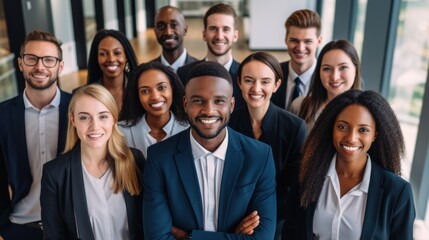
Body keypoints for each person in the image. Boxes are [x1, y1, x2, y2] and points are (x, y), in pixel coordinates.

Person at [143, 61, 276, 239]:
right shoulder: (159, 158)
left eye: (219, 101)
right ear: (185, 103)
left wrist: (191, 237)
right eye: (198, 101)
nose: (208, 110)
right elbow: (156, 237)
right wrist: (230, 236)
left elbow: (263, 238)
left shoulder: (260, 156)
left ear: (231, 105)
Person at [283, 89, 415, 239]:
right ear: (331, 128)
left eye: (363, 130)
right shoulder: (306, 175)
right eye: (342, 127)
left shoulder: (397, 192)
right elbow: (290, 234)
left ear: (375, 135)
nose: (351, 138)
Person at [40, 84, 144, 239]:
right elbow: (54, 236)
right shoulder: (55, 174)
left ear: (114, 119)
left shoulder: (135, 160)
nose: (94, 126)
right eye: (84, 117)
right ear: (73, 120)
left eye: (103, 116)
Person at [0, 30, 71, 239]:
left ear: (60, 66)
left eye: (49, 60)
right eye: (32, 59)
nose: (40, 67)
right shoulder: (2, 115)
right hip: (20, 226)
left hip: (70, 226)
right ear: (21, 63)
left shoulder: (78, 109)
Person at [229, 52, 307, 240]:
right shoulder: (228, 123)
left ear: (276, 85)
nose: (256, 88)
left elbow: (291, 187)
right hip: (232, 218)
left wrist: (257, 220)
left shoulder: (295, 128)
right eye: (249, 80)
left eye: (265, 81)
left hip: (277, 220)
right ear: (239, 82)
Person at [177, 3, 245, 109]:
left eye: (226, 29)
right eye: (213, 29)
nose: (219, 36)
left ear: (235, 36)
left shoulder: (245, 76)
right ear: (204, 34)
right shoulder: (184, 74)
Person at [119, 62, 189, 158]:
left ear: (172, 88)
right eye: (145, 91)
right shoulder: (120, 132)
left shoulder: (190, 129)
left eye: (161, 88)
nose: (155, 97)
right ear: (137, 95)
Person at [290, 39, 362, 130]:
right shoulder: (299, 106)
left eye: (343, 67)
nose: (334, 77)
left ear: (356, 69)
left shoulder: (366, 113)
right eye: (327, 69)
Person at [271, 9, 322, 110]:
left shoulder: (327, 79)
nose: (300, 48)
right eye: (294, 40)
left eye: (307, 41)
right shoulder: (273, 73)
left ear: (319, 41)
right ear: (286, 39)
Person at [86, 29, 138, 111]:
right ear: (96, 58)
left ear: (126, 57)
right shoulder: (86, 95)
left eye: (117, 53)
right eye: (103, 54)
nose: (111, 59)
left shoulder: (139, 90)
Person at [149, 5, 198, 72]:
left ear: (185, 30)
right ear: (155, 32)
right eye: (161, 26)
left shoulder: (200, 70)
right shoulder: (148, 71)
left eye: (174, 25)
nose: (168, 32)